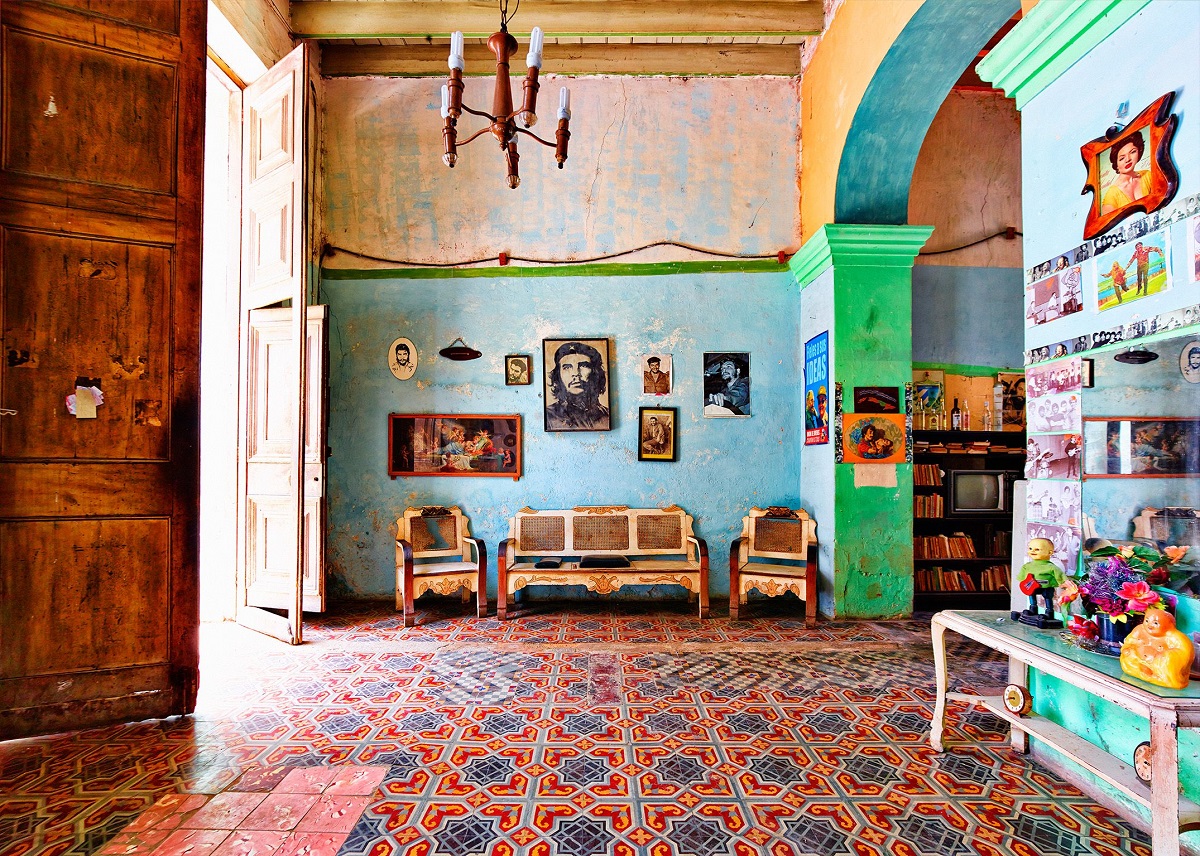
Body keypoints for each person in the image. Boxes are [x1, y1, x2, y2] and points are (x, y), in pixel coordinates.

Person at [1120, 609, 1194, 690]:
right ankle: (1142, 670)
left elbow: (1185, 654)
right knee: (1129, 655)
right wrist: (1128, 648)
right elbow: (1129, 641)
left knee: (1168, 659)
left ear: (1169, 625)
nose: (1149, 625)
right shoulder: (1139, 629)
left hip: (1157, 666)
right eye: (1147, 621)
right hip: (1138, 661)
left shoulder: (1175, 638)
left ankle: (1157, 675)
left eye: (1155, 623)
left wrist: (1163, 656)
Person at [545, 341, 610, 430]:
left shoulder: (607, 415)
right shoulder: (549, 416)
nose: (575, 373)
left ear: (596, 373)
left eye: (584, 366)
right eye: (567, 367)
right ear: (558, 376)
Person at [1101, 131, 1153, 214]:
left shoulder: (1147, 175)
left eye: (1133, 152)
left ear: (1139, 152)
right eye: (1122, 158)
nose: (1128, 159)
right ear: (1116, 164)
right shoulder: (1111, 195)